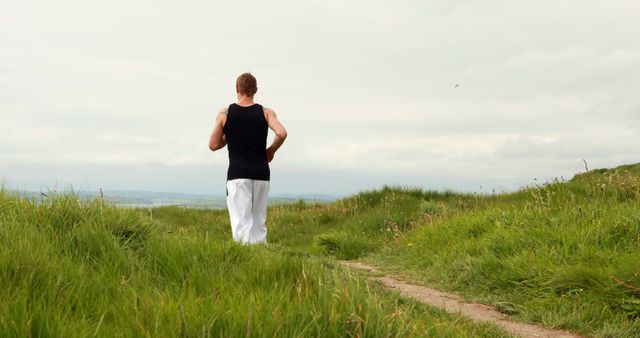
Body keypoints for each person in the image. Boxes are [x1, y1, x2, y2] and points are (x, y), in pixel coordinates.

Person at [208, 72, 287, 244]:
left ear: (237, 88)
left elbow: (213, 145)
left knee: (241, 225)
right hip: (261, 174)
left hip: (238, 176)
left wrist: (230, 132)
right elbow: (281, 133)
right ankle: (262, 258)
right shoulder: (266, 112)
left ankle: (246, 262)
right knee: (259, 223)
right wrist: (271, 150)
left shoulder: (225, 113)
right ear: (255, 90)